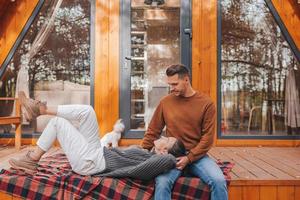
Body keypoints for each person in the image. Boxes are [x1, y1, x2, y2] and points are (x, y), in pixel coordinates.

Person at [9, 91, 186, 180]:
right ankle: (40, 109)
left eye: (168, 140)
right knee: (87, 111)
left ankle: (32, 159)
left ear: (165, 152)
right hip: (97, 153)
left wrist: (176, 159)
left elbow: (165, 162)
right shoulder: (148, 155)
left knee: (58, 123)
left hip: (91, 164)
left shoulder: (161, 161)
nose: (165, 136)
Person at [141, 64, 228, 199]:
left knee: (219, 181)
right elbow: (153, 130)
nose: (172, 88)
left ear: (186, 80)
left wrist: (189, 158)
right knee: (162, 183)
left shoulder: (206, 103)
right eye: (170, 84)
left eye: (175, 84)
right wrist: (143, 152)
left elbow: (208, 138)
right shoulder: (166, 102)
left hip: (197, 156)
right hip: (171, 156)